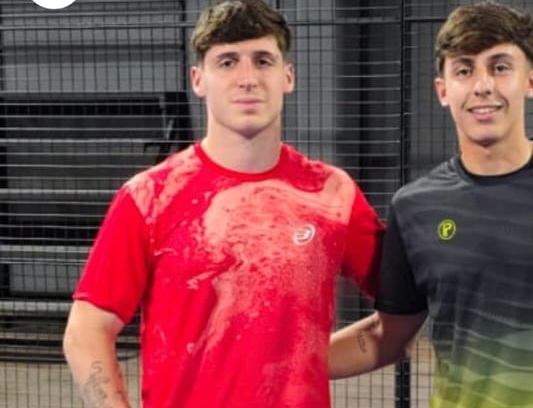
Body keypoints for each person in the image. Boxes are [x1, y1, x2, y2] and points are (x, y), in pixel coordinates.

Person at [329, 2, 533, 407]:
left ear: (532, 81)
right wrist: (281, 359)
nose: (482, 85)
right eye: (464, 70)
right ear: (443, 90)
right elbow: (388, 335)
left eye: (500, 67)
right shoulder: (414, 207)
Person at [62, 1, 384, 407]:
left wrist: (307, 361)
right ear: (199, 80)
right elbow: (86, 331)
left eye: (262, 60)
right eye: (228, 62)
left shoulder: (332, 195)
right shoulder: (149, 197)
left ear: (287, 76)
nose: (247, 79)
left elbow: (403, 312)